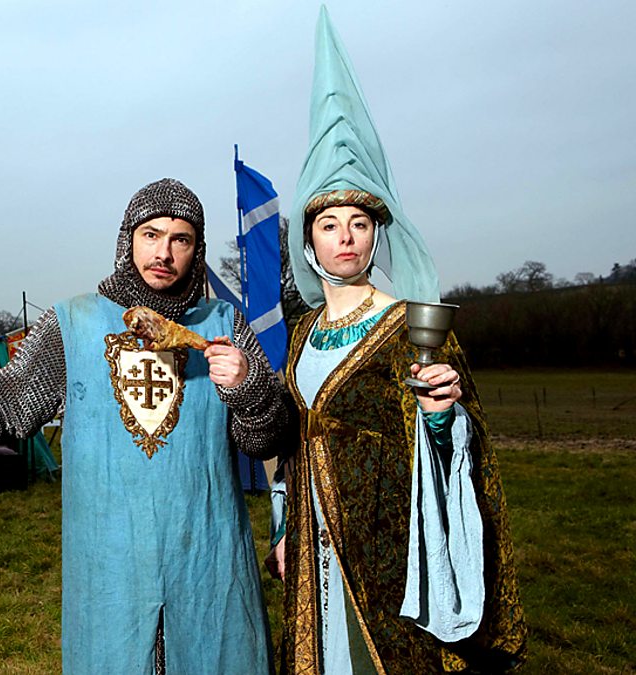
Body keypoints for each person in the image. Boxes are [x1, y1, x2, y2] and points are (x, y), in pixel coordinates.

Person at [0, 177, 288, 674]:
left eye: (181, 239)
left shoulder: (222, 325)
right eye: (151, 234)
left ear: (197, 250)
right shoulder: (74, 322)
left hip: (206, 557)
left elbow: (266, 439)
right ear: (127, 239)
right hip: (110, 562)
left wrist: (247, 386)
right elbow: (3, 406)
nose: (164, 252)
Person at [267, 8, 526, 673]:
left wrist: (444, 415)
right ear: (309, 240)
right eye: (329, 223)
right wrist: (287, 527)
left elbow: (461, 441)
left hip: (392, 549)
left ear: (376, 234)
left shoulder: (413, 326)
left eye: (359, 222)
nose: (345, 237)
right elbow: (294, 442)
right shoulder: (301, 334)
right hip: (314, 547)